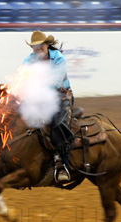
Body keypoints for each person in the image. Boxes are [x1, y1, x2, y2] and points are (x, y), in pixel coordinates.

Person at [23, 30, 75, 182]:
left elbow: (56, 82)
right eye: (34, 47)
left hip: (61, 96)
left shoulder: (59, 59)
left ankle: (63, 164)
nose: (37, 49)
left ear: (46, 45)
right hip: (38, 96)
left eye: (40, 46)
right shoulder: (30, 60)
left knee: (58, 124)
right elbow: (24, 75)